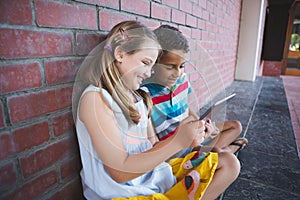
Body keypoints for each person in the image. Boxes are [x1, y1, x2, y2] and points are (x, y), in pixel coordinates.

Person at [72, 20, 239, 200]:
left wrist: (184, 134)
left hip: (153, 178)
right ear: (120, 54)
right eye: (145, 62)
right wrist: (178, 142)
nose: (149, 72)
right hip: (123, 194)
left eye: (152, 66)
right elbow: (120, 172)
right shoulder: (95, 99)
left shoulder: (139, 98)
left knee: (229, 163)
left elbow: (153, 148)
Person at [142, 25, 248, 158]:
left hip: (192, 132)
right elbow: (154, 142)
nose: (177, 73)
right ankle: (227, 150)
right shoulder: (145, 93)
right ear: (153, 62)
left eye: (181, 66)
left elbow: (186, 108)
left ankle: (215, 150)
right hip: (177, 146)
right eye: (170, 67)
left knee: (235, 126)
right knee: (220, 154)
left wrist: (201, 124)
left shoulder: (182, 79)